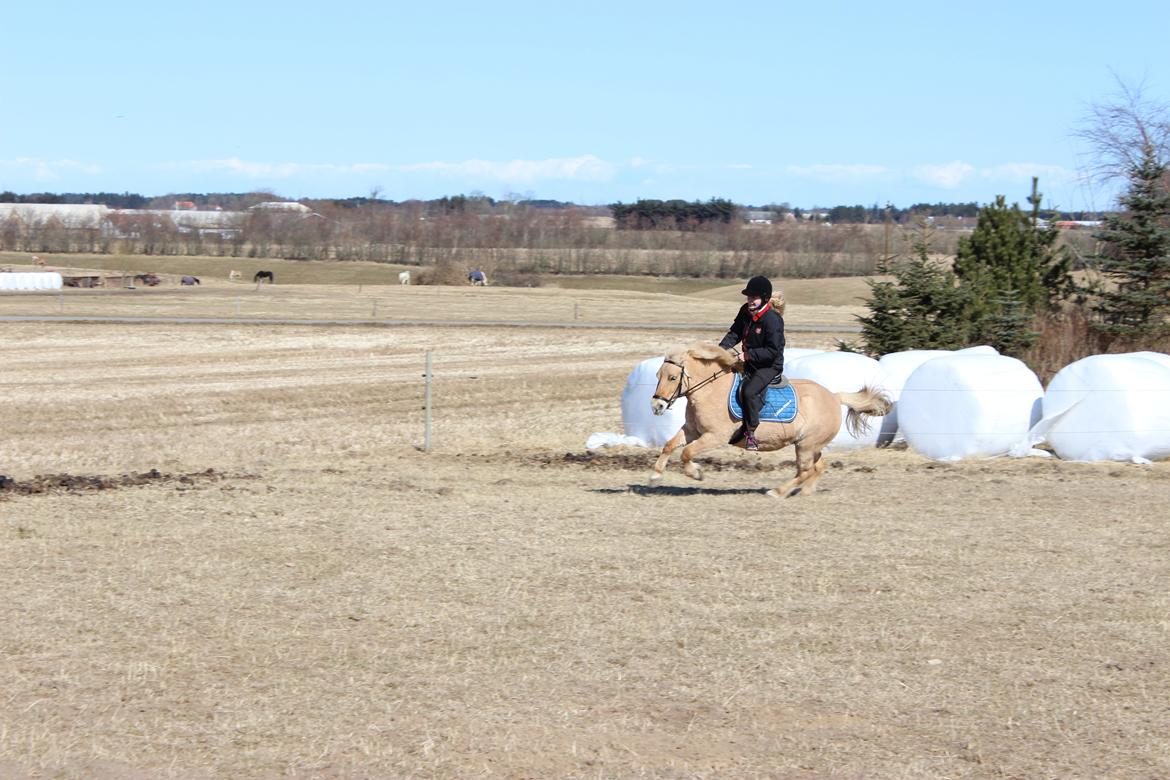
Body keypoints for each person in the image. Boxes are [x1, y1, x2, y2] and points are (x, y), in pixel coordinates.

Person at [718, 275, 785, 450]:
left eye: (754, 297)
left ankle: (750, 433)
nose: (750, 300)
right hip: (748, 361)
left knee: (748, 391)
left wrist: (747, 356)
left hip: (769, 366)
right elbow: (734, 333)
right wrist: (719, 350)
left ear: (764, 299)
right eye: (748, 297)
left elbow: (772, 351)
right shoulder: (745, 311)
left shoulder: (773, 319)